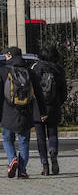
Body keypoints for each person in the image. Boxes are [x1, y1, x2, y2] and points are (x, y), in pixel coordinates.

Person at [0, 46, 38, 179]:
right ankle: (23, 171)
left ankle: (12, 159)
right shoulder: (29, 72)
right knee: (24, 141)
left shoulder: (2, 71)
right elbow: (39, 93)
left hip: (7, 111)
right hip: (26, 111)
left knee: (7, 138)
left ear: (9, 56)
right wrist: (41, 111)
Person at [30, 46, 67, 175]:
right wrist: (58, 102)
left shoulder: (35, 68)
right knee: (53, 132)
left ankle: (44, 165)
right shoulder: (59, 70)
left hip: (37, 106)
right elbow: (64, 93)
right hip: (53, 106)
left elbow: (30, 88)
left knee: (40, 137)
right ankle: (53, 150)